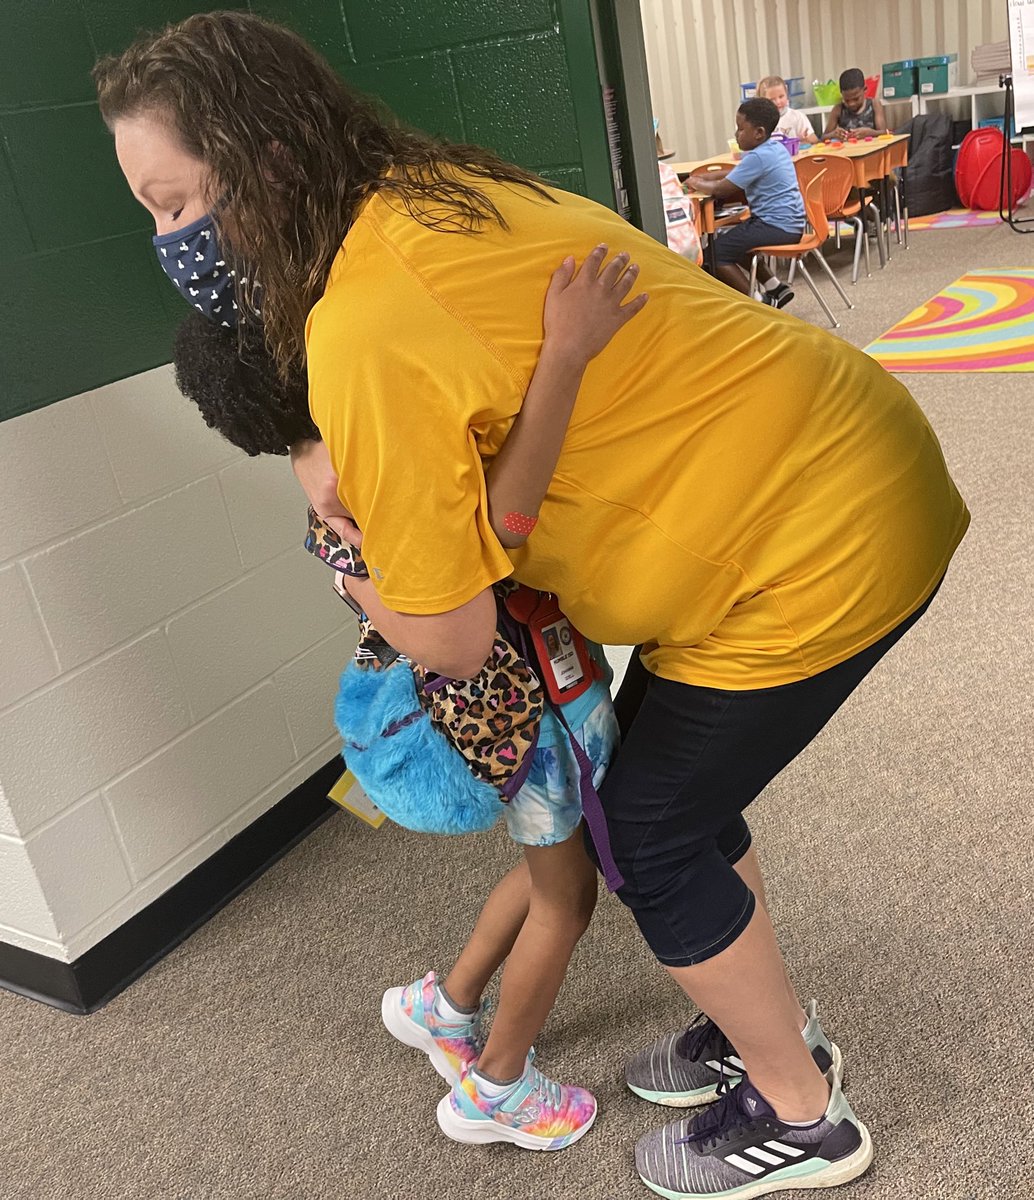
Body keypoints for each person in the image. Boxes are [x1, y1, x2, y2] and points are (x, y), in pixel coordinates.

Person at [97, 14, 970, 1198]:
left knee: (646, 838)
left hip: (808, 536)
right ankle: (753, 1030)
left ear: (272, 161)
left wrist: (347, 567)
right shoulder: (427, 194)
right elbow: (496, 507)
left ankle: (803, 1114)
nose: (171, 244)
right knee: (667, 807)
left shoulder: (363, 322)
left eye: (173, 205)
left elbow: (456, 633)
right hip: (809, 481)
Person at [170, 247, 645, 1152]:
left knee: (554, 866)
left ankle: (445, 1004)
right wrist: (564, 356)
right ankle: (496, 1088)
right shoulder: (356, 476)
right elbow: (502, 530)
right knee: (567, 899)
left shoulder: (332, 467)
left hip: (529, 688)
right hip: (516, 711)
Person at [687, 97, 804, 305]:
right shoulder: (774, 148)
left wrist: (696, 182)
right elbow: (736, 172)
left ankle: (758, 303)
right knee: (734, 241)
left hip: (775, 225)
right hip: (790, 224)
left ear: (759, 133)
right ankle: (775, 287)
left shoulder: (757, 157)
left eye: (740, 129)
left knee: (715, 254)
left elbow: (720, 190)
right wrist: (705, 177)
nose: (736, 134)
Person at [824, 68, 887, 139]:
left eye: (856, 99)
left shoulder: (874, 104)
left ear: (865, 90)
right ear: (841, 94)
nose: (851, 104)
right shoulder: (838, 109)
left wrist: (870, 133)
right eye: (847, 100)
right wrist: (833, 134)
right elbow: (823, 137)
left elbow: (884, 133)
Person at [756, 75, 819, 144]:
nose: (778, 102)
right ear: (762, 101)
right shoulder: (758, 121)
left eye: (781, 96)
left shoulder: (797, 116)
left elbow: (814, 140)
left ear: (787, 94)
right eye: (772, 99)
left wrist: (805, 138)